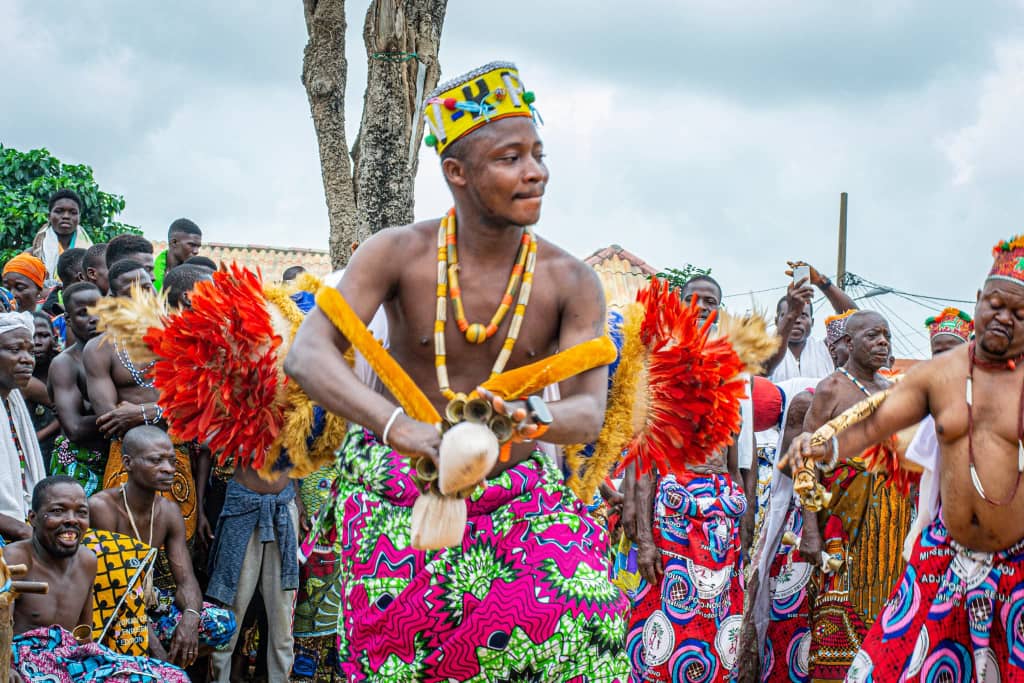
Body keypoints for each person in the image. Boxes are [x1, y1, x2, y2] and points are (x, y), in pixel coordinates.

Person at [284, 61, 629, 681]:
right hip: (402, 490)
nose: (536, 173)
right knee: (402, 656)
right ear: (457, 172)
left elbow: (588, 414)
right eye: (511, 158)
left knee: (588, 626)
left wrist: (528, 417)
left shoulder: (571, 280)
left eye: (539, 154)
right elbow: (307, 355)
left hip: (520, 497)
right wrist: (401, 429)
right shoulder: (397, 252)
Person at [785, 236, 1024, 680]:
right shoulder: (924, 383)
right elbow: (859, 433)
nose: (1005, 318)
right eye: (996, 304)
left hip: (999, 562)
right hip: (921, 553)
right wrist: (823, 453)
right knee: (899, 660)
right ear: (978, 303)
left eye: (1019, 312)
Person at [792, 310, 911, 681]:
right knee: (837, 614)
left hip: (893, 525)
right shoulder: (832, 388)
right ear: (850, 342)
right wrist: (810, 530)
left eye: (886, 337)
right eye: (873, 336)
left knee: (889, 622)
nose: (882, 343)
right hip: (841, 526)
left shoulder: (894, 391)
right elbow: (806, 462)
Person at [5, 475, 189, 682]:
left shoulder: (87, 560)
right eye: (58, 511)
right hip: (23, 660)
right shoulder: (15, 559)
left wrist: (93, 660)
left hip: (68, 657)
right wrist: (5, 667)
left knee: (174, 677)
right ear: (33, 518)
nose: (71, 519)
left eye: (81, 512)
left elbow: (84, 632)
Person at [89, 426, 235, 668]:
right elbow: (116, 593)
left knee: (220, 623)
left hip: (147, 605)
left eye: (171, 460)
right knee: (131, 639)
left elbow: (186, 581)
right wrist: (156, 650)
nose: (169, 469)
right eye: (156, 461)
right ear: (128, 463)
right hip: (111, 611)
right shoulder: (102, 508)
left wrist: (190, 620)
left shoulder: (168, 511)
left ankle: (163, 669)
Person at [83, 261, 197, 540]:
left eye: (147, 286)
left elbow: (197, 405)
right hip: (127, 460)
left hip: (176, 457)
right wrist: (165, 411)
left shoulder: (180, 338)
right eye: (131, 289)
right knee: (124, 546)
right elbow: (111, 419)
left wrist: (145, 412)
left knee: (180, 545)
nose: (143, 294)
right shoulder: (100, 349)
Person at [48, 282, 109, 495]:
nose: (94, 319)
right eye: (83, 313)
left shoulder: (118, 354)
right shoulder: (65, 364)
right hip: (80, 467)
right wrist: (121, 414)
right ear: (68, 320)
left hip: (117, 462)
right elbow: (74, 428)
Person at [0, 311, 47, 542]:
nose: (27, 359)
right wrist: (23, 532)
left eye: (30, 351)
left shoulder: (12, 402)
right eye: (15, 350)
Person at [767, 261, 857, 383]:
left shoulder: (827, 349)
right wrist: (791, 315)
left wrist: (822, 282)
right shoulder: (763, 352)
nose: (796, 320)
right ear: (776, 321)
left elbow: (855, 319)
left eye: (803, 315)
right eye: (789, 314)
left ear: (812, 322)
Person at [29, 189, 95, 282]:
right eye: (59, 211)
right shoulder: (34, 253)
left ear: (79, 218)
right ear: (49, 216)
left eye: (73, 212)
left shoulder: (92, 253)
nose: (66, 216)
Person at [27, 311, 60, 462]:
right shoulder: (17, 374)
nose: (37, 342)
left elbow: (67, 413)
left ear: (55, 339)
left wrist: (35, 438)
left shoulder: (63, 369)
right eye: (32, 336)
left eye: (43, 336)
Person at [153, 218, 203, 291]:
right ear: (174, 242)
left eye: (198, 246)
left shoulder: (198, 278)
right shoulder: (147, 274)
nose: (196, 251)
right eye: (191, 245)